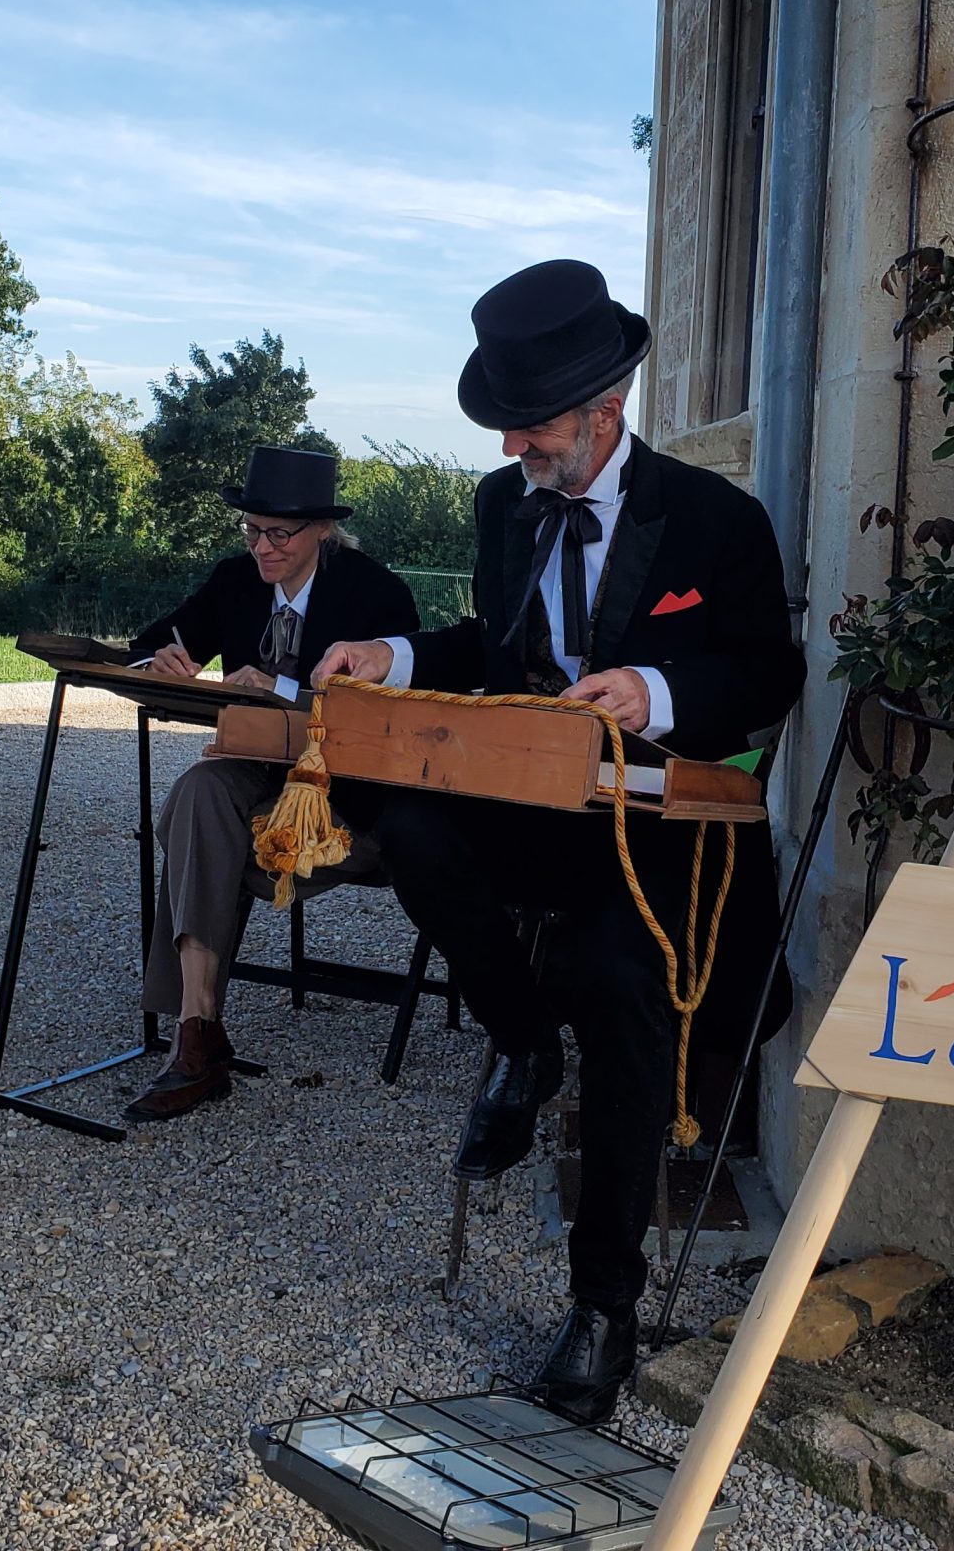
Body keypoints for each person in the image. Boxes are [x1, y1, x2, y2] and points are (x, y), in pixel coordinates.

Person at [312, 259, 802, 1423]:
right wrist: (394, 656)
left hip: (665, 825)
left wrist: (659, 685)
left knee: (614, 976)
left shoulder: (717, 517)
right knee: (408, 825)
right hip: (537, 805)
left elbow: (769, 673)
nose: (511, 452)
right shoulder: (504, 507)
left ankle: (603, 1308)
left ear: (606, 410)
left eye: (529, 430)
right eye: (508, 430)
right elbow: (491, 641)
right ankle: (523, 1046)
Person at [121, 445, 419, 1124]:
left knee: (201, 835)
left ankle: (194, 1038)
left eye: (278, 534)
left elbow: (396, 720)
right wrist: (162, 662)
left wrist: (282, 686)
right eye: (251, 530)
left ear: (322, 531)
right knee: (198, 795)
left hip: (345, 794)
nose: (262, 547)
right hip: (254, 775)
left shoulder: (377, 593)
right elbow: (146, 644)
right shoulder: (235, 580)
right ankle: (197, 1031)